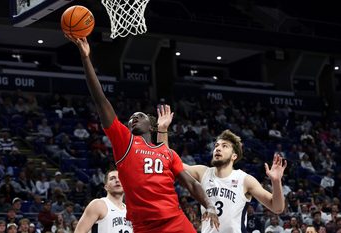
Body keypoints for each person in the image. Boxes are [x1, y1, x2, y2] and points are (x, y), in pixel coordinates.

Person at [67, 36, 219, 233]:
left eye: (139, 116)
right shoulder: (125, 143)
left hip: (175, 221)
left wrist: (210, 205)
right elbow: (101, 100)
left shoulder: (168, 153)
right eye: (130, 118)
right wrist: (86, 58)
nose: (133, 118)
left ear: (151, 125)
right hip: (145, 227)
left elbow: (191, 183)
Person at [157, 107, 287, 233]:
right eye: (216, 146)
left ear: (234, 156)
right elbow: (167, 161)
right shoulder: (202, 172)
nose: (218, 149)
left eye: (224, 146)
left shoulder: (245, 180)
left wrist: (276, 181)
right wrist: (162, 129)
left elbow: (277, 208)